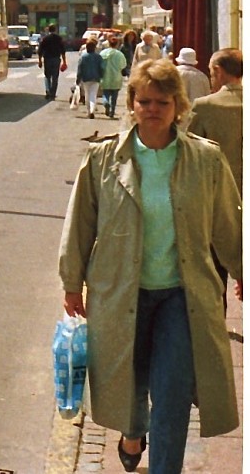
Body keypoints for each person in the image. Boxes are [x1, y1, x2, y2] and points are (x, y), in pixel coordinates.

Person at [59, 58, 242, 474]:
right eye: (144, 101)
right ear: (132, 103)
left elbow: (228, 224)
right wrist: (72, 282)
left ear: (178, 105)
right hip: (121, 293)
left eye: (162, 101)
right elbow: (80, 225)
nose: (153, 109)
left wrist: (242, 270)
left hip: (181, 295)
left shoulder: (205, 161)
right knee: (130, 384)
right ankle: (132, 432)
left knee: (173, 395)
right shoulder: (103, 159)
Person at [189, 48, 243, 194]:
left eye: (211, 73)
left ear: (218, 71)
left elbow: (191, 150)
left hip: (219, 188)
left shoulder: (205, 105)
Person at [98, 34, 128, 119]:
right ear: (117, 44)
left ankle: (106, 102)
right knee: (114, 97)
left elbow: (99, 64)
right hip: (116, 78)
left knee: (105, 94)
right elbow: (123, 65)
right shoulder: (119, 54)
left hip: (105, 77)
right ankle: (112, 111)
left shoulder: (103, 53)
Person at [75, 38, 104, 119]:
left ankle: (89, 111)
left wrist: (78, 78)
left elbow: (80, 68)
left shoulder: (83, 57)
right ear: (94, 48)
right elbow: (101, 68)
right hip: (96, 78)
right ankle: (92, 110)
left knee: (87, 94)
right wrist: (101, 76)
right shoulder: (98, 57)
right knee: (93, 95)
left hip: (85, 78)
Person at [37, 25, 66, 100]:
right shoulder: (59, 38)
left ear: (48, 30)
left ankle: (48, 91)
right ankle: (53, 93)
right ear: (55, 30)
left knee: (47, 76)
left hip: (47, 59)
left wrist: (40, 60)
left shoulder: (45, 39)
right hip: (56, 59)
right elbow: (63, 50)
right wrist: (64, 61)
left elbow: (40, 50)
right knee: (55, 77)